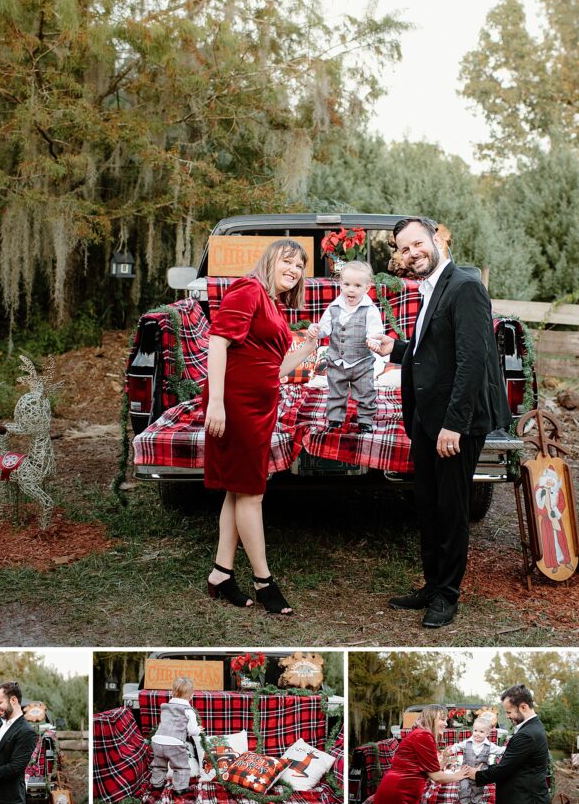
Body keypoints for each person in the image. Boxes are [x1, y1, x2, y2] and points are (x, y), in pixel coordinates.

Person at [370, 217, 510, 628]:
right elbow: (435, 349)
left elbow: (472, 362)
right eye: (404, 249)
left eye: (418, 244)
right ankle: (432, 586)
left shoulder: (465, 287)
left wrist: (454, 425)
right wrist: (397, 349)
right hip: (429, 419)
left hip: (456, 423)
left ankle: (447, 596)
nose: (413, 254)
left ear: (436, 239)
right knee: (428, 506)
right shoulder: (430, 287)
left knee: (451, 509)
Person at [203, 238, 319, 616]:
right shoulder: (248, 289)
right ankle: (263, 579)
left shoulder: (272, 303)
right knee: (252, 493)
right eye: (288, 261)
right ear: (269, 260)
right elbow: (218, 342)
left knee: (238, 490)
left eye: (300, 266)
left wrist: (307, 349)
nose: (294, 270)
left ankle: (221, 573)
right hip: (235, 404)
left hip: (260, 404)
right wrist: (217, 403)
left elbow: (275, 368)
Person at [309, 259, 383, 433]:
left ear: (367, 288)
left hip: (362, 363)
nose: (351, 289)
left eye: (357, 286)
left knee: (366, 392)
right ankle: (335, 420)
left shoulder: (370, 309)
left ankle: (365, 420)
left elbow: (375, 330)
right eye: (347, 284)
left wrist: (374, 340)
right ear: (340, 284)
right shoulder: (334, 307)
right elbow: (324, 328)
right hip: (336, 361)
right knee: (336, 393)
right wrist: (316, 330)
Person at [370, 704, 474, 804]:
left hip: (401, 790)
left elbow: (430, 770)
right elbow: (436, 776)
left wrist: (445, 759)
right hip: (399, 792)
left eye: (446, 720)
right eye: (442, 720)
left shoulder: (421, 734)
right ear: (431, 718)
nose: (446, 724)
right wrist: (458, 775)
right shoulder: (423, 736)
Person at [473, 684, 551, 804]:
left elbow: (503, 769)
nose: (508, 716)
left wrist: (476, 774)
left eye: (509, 712)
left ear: (523, 707)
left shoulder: (527, 734)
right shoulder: (533, 726)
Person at [443, 714, 506, 804]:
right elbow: (457, 746)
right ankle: (464, 803)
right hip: (466, 771)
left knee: (477, 789)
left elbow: (500, 750)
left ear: (488, 733)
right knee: (464, 787)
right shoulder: (467, 742)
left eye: (481, 732)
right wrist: (451, 750)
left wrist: (509, 748)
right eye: (475, 730)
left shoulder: (490, 746)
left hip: (479, 774)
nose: (477, 734)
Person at [149, 677, 202, 792]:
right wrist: (199, 729)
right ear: (191, 696)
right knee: (181, 767)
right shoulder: (188, 711)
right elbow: (192, 731)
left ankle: (156, 784)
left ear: (172, 693)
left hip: (157, 741)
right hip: (174, 743)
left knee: (158, 765)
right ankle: (180, 788)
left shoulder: (166, 707)